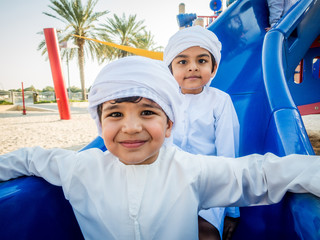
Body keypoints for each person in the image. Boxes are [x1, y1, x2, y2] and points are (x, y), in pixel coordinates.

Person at [1, 56, 320, 240]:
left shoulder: (189, 170)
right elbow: (30, 158)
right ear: (100, 125)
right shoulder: (81, 168)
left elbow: (261, 173)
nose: (131, 126)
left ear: (169, 125)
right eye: (115, 114)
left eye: (147, 112)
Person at [164, 25, 240, 240]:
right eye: (182, 61)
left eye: (202, 60)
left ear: (213, 68)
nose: (193, 68)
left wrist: (232, 212)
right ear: (170, 69)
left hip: (209, 183)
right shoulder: (163, 101)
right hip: (168, 181)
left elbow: (228, 154)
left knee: (206, 233)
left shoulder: (220, 101)